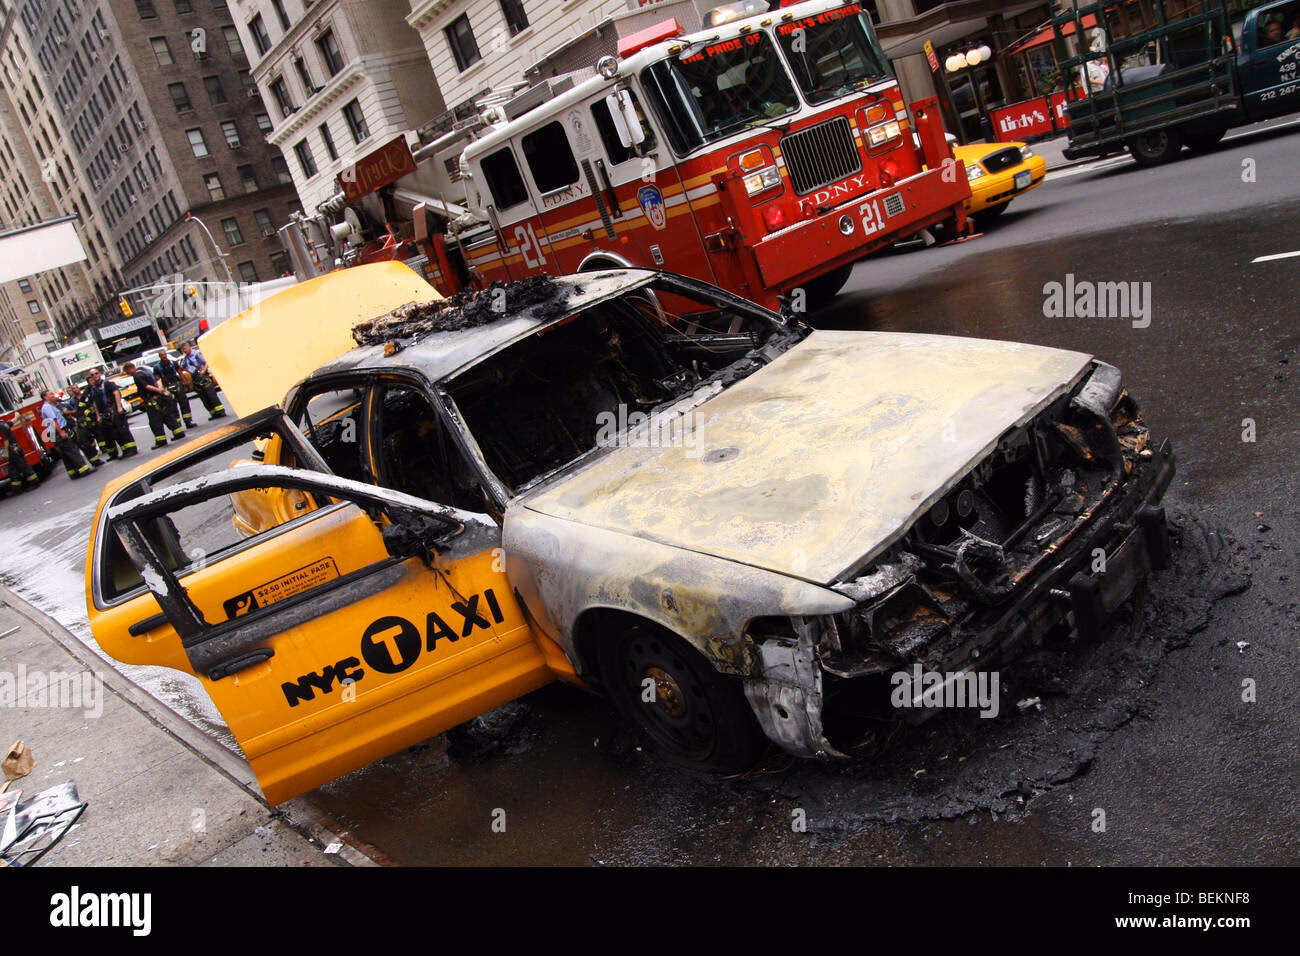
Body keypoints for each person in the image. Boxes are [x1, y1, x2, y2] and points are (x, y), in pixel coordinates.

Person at [124, 361, 184, 449]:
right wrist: (161, 391)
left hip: (152, 400)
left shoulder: (137, 376)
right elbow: (157, 380)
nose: (128, 374)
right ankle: (178, 432)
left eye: (127, 372)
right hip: (159, 398)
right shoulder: (145, 371)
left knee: (155, 422)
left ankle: (161, 441)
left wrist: (159, 391)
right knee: (167, 416)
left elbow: (147, 386)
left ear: (130, 368)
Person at [39, 390, 93, 479]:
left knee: (65, 454)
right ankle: (84, 469)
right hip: (59, 432)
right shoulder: (47, 407)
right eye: (51, 394)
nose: (53, 395)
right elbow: (53, 420)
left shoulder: (47, 407)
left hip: (54, 434)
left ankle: (73, 473)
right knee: (72, 450)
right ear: (45, 397)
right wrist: (61, 432)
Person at [86, 367, 138, 458]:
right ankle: (125, 450)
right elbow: (94, 403)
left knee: (122, 430)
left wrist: (118, 407)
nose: (95, 376)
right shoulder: (93, 389)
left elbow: (116, 393)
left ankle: (132, 449)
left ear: (99, 374)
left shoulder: (107, 383)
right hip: (104, 414)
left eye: (96, 373)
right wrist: (98, 416)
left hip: (114, 410)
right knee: (115, 433)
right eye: (92, 375)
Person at [178, 342, 227, 420]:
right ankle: (213, 413)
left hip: (203, 376)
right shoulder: (185, 359)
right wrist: (188, 372)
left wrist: (204, 370)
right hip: (195, 378)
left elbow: (206, 361)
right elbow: (181, 367)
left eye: (185, 349)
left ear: (189, 347)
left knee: (211, 394)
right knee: (204, 398)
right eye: (183, 350)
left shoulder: (196, 354)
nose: (184, 351)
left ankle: (221, 411)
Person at [61, 383, 104, 467]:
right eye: (73, 388)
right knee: (87, 440)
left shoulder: (85, 396)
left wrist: (97, 415)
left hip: (92, 419)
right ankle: (94, 458)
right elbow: (69, 412)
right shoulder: (72, 401)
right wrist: (74, 413)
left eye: (77, 387)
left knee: (99, 434)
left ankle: (103, 449)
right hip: (82, 423)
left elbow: (93, 404)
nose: (76, 389)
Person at [154, 348, 194, 429]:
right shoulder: (157, 367)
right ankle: (177, 424)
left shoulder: (173, 363)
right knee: (172, 407)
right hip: (167, 388)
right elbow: (158, 379)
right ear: (160, 357)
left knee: (184, 403)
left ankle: (188, 421)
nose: (164, 356)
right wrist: (161, 390)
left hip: (177, 384)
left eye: (165, 354)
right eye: (162, 355)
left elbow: (180, 372)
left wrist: (185, 382)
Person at [0, 419, 39, 493]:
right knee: (13, 469)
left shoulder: (0, 426)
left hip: (12, 449)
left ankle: (34, 482)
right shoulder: (3, 424)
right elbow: (11, 423)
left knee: (23, 466)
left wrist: (5, 452)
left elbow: (6, 440)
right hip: (14, 449)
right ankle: (16, 488)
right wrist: (17, 417)